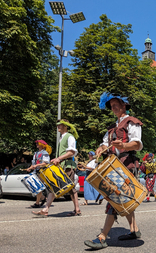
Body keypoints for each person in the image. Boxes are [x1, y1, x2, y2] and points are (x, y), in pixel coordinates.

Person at [84, 92, 143, 249]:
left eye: (116, 105)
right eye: (111, 106)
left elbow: (137, 144)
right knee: (123, 197)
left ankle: (102, 237)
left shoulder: (132, 122)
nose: (113, 108)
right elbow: (105, 144)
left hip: (126, 164)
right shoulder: (111, 128)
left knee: (115, 197)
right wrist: (100, 148)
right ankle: (134, 229)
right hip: (113, 165)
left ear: (124, 105)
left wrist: (123, 145)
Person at [32, 119, 81, 217]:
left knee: (71, 188)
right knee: (54, 186)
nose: (58, 126)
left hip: (67, 165)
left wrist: (59, 158)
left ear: (65, 126)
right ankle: (46, 209)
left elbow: (71, 152)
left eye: (60, 125)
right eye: (57, 125)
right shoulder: (61, 138)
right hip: (61, 166)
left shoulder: (69, 137)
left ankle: (77, 210)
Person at [27, 140, 52, 208]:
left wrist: (37, 166)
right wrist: (30, 168)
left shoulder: (45, 153)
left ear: (42, 144)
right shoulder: (36, 153)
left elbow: (46, 163)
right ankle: (43, 198)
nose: (37, 144)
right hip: (35, 172)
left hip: (41, 172)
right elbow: (34, 163)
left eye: (38, 143)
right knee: (34, 186)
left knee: (38, 187)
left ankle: (37, 203)